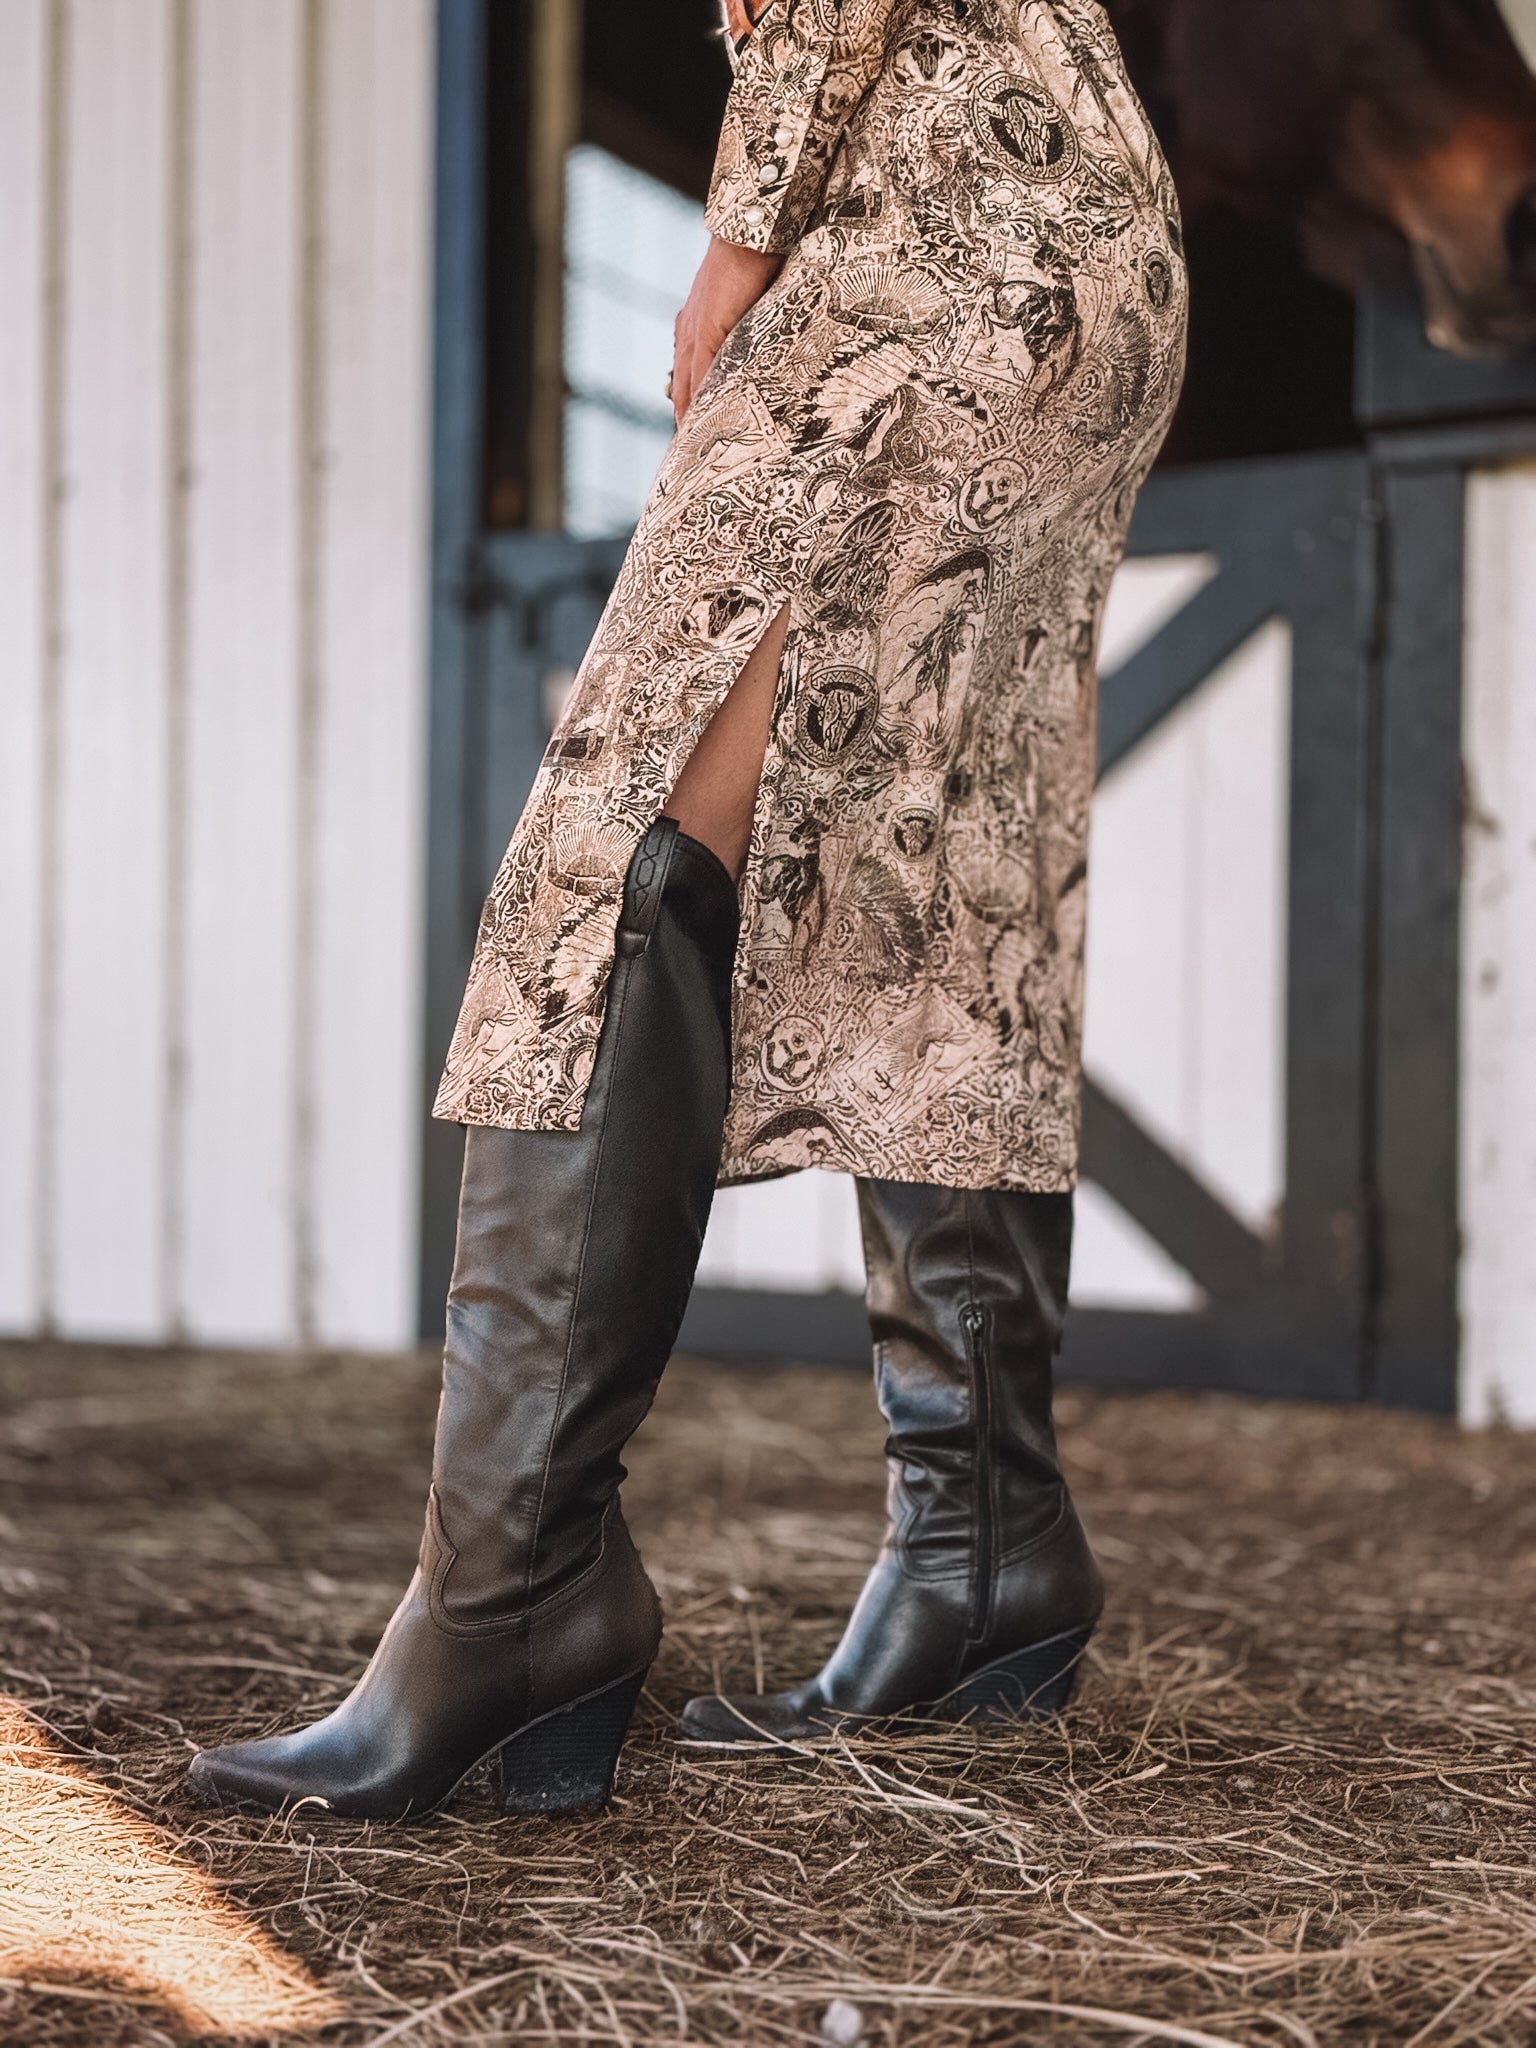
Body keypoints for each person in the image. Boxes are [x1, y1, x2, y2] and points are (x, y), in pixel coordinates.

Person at [188, 0, 1187, 1820]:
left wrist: (739, 237)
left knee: (615, 830)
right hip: (1084, 235)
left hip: (933, 229)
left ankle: (516, 1589)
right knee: (937, 883)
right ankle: (986, 1554)